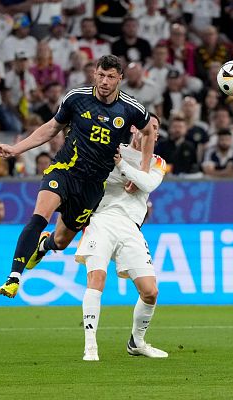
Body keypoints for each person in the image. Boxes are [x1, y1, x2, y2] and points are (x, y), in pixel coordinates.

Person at [0, 55, 155, 299]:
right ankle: (14, 277)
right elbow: (51, 128)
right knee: (39, 217)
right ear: (94, 74)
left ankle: (45, 246)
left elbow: (149, 131)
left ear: (120, 78)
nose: (105, 81)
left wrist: (142, 171)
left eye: (111, 77)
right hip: (65, 169)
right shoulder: (76, 98)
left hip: (92, 186)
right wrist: (17, 149)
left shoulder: (131, 108)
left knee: (60, 241)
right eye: (101, 75)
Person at [75, 117, 167, 361]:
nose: (152, 131)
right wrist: (127, 173)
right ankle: (90, 346)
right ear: (135, 128)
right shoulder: (114, 148)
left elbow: (147, 183)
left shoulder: (157, 162)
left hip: (131, 227)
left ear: (156, 137)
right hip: (101, 219)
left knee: (150, 292)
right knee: (97, 279)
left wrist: (124, 169)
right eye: (149, 126)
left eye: (156, 129)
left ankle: (137, 342)